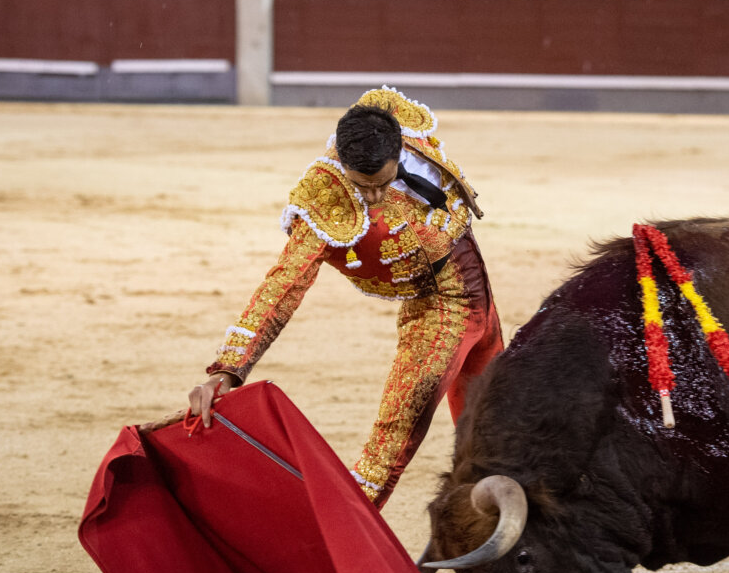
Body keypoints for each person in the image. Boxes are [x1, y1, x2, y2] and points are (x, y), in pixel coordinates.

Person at [188, 86, 503, 508]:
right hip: (438, 308)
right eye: (362, 186)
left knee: (497, 423)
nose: (373, 196)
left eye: (383, 182)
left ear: (398, 150)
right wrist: (227, 369)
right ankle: (336, 544)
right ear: (342, 160)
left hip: (480, 293)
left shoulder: (399, 127)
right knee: (391, 442)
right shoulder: (324, 198)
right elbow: (283, 284)